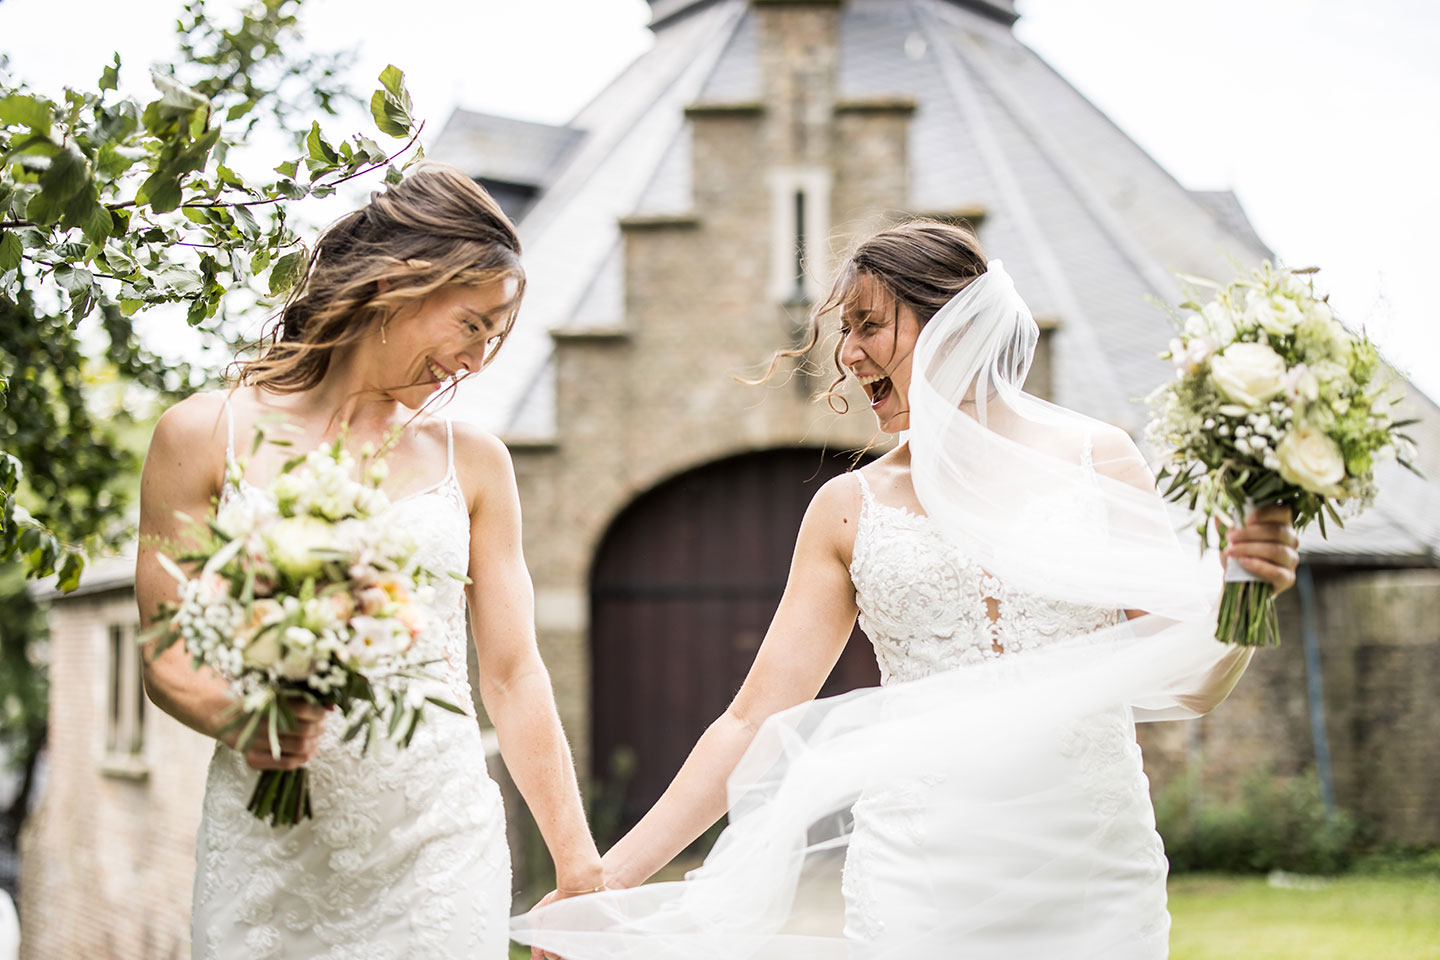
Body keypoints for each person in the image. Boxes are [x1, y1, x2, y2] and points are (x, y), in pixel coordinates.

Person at [512, 220, 1299, 958]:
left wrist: (1244, 592)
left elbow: (1192, 689)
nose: (848, 355)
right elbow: (753, 718)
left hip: (1093, 863)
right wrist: (604, 880)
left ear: (956, 325)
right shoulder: (847, 511)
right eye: (844, 331)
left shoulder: (1100, 459)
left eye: (867, 325)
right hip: (919, 870)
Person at [137, 164, 603, 959]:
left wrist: (579, 866)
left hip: (438, 841)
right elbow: (164, 650)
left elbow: (515, 673)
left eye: (497, 338)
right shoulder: (200, 435)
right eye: (473, 324)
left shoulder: (478, 464)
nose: (479, 359)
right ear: (398, 283)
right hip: (268, 849)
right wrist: (246, 718)